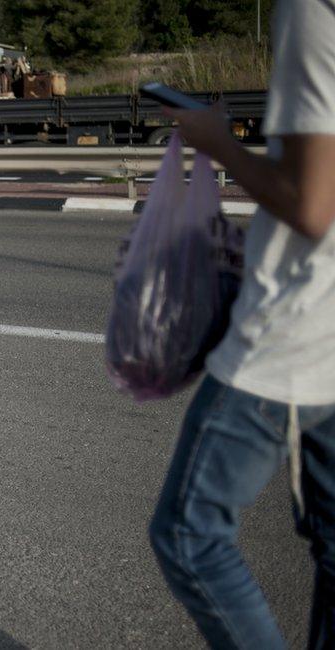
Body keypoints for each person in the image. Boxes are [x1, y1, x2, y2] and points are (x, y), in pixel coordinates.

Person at [148, 1, 335, 647]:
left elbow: (312, 207)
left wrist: (218, 142)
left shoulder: (312, 12)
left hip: (297, 331)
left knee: (185, 532)